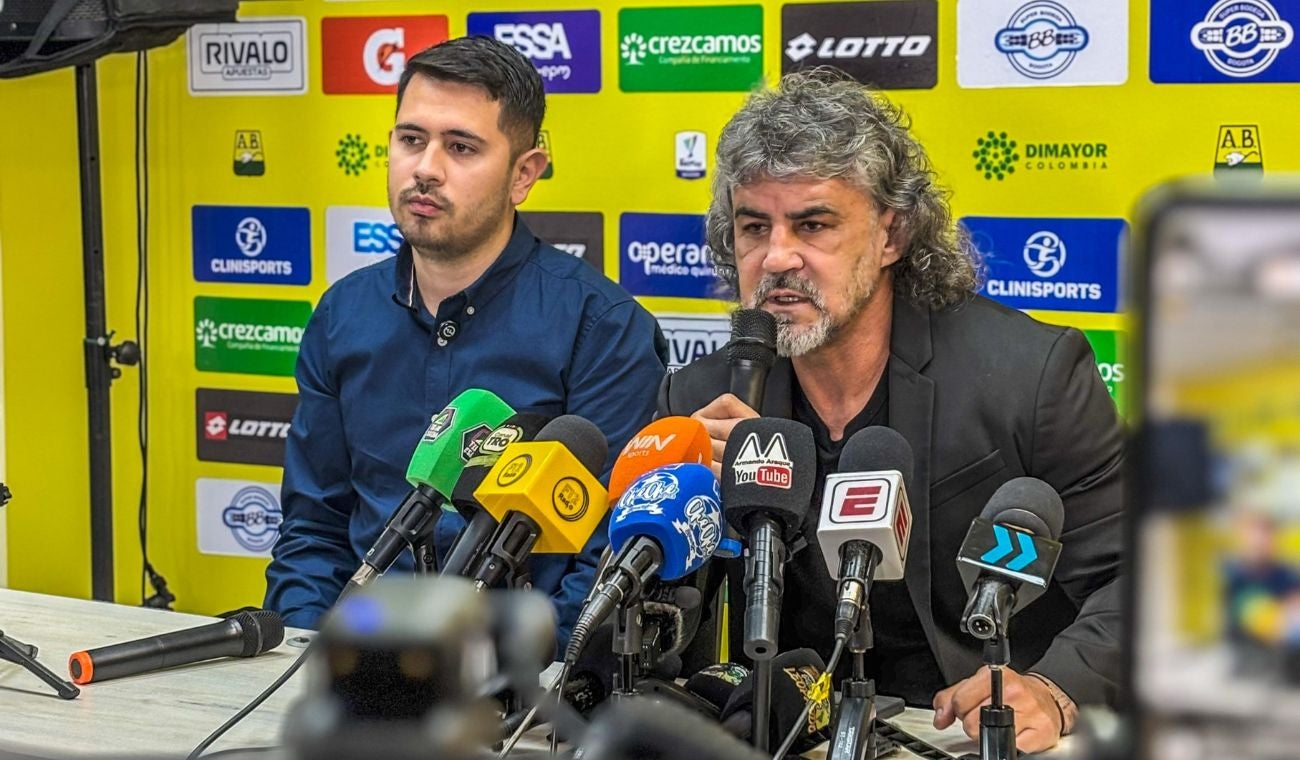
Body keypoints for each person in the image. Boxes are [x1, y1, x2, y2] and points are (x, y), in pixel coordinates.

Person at [658, 71, 1122, 753]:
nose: (776, 256)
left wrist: (1055, 688)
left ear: (892, 234)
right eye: (754, 226)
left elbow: (1140, 577)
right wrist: (694, 511)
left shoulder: (1029, 377)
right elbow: (650, 622)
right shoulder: (699, 401)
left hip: (969, 734)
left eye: (813, 224)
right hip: (795, 731)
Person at [265, 37, 667, 652]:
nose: (426, 168)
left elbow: (602, 564)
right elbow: (313, 528)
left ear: (524, 173)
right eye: (411, 139)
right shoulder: (343, 314)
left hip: (516, 679)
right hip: (355, 664)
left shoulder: (604, 328)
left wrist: (512, 677)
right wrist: (306, 652)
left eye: (460, 147)